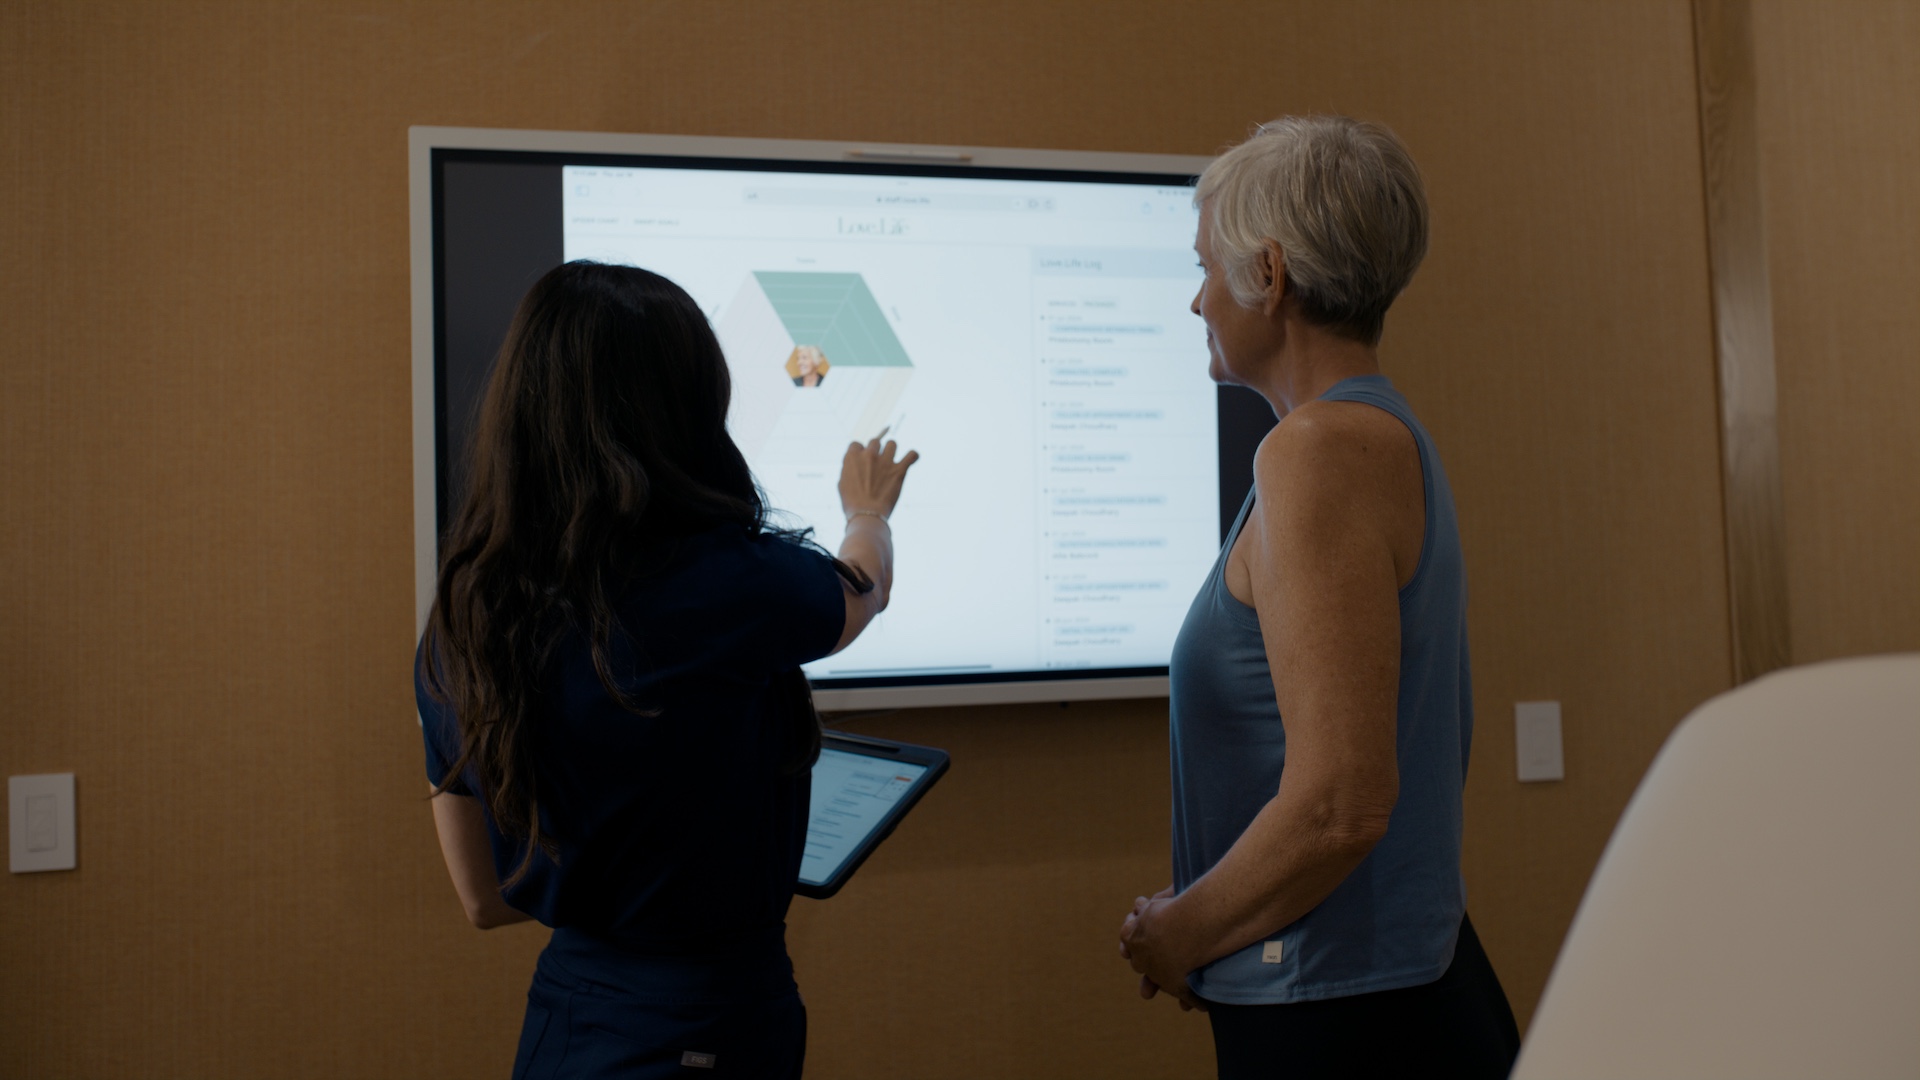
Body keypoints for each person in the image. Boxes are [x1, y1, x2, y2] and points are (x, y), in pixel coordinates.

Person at [415, 261, 917, 1078]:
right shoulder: (728, 585)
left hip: (571, 1018)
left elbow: (483, 898)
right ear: (689, 410)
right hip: (712, 1017)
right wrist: (867, 510)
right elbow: (862, 591)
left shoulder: (466, 622)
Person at [1117, 117, 1520, 1078]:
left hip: (1349, 1013)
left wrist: (1177, 931)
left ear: (1270, 274)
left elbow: (1341, 805)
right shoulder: (1359, 436)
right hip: (1360, 993)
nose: (1195, 300)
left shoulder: (1318, 451)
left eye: (1207, 267)